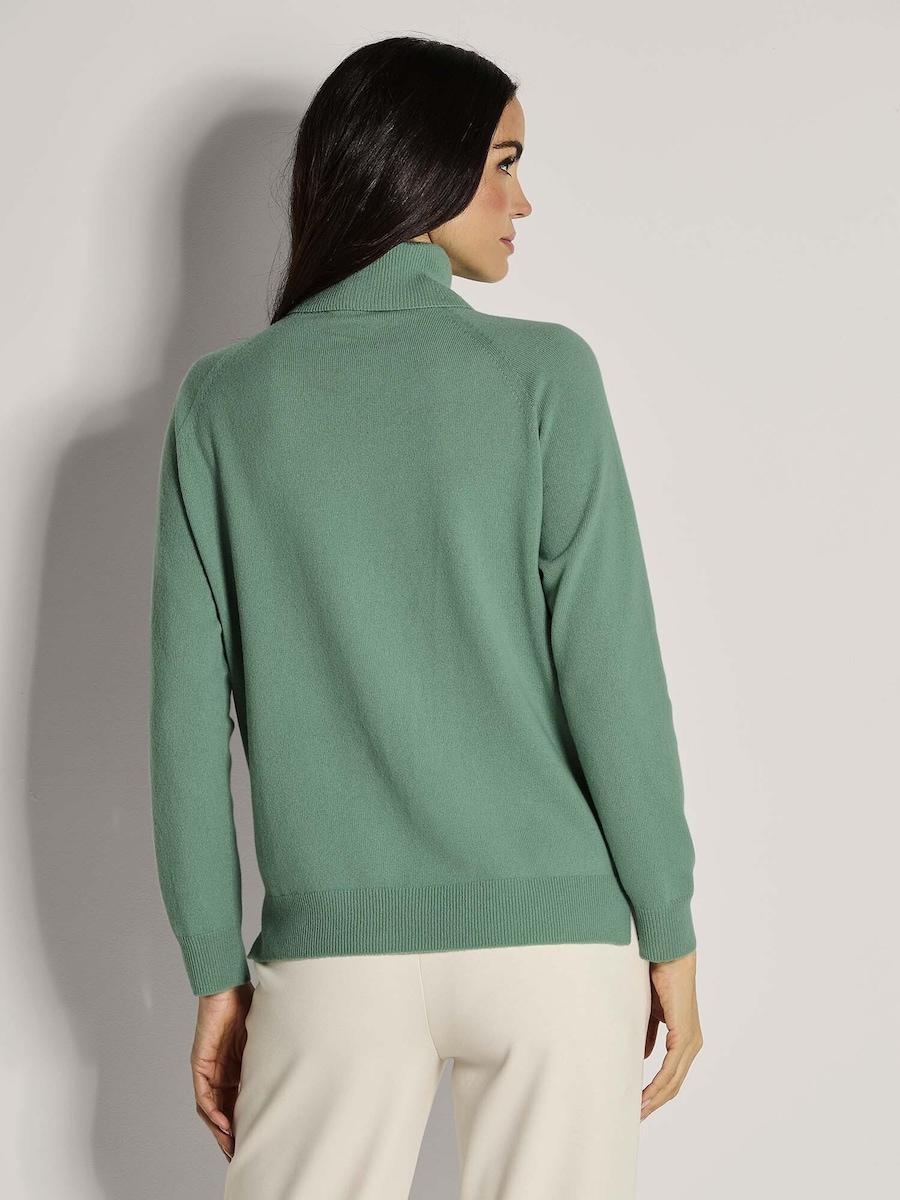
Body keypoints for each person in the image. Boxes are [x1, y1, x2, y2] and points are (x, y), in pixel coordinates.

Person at [148, 34, 703, 1200]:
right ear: (420, 165)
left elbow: (186, 728)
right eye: (502, 163)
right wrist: (668, 925)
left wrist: (214, 970)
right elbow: (611, 676)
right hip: (554, 949)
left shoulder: (224, 404)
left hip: (331, 958)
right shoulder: (546, 377)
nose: (523, 201)